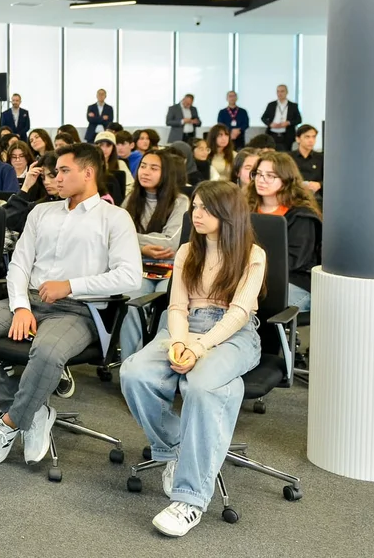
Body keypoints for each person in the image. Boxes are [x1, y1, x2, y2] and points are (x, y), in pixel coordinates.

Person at [0, 144, 141, 467]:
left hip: (78, 309)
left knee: (48, 352)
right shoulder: (41, 212)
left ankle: (9, 423)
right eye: (55, 172)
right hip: (29, 301)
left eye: (64, 171)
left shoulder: (114, 218)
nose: (56, 178)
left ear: (88, 173)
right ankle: (31, 411)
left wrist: (71, 286)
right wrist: (20, 306)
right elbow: (19, 265)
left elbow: (130, 277)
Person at [120, 180, 265, 538]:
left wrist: (198, 350)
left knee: (201, 386)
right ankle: (174, 448)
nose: (195, 215)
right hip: (185, 327)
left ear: (227, 214)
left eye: (205, 209)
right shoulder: (187, 250)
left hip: (233, 334)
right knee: (135, 372)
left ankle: (191, 500)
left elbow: (239, 313)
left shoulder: (253, 254)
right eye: (195, 207)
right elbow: (177, 306)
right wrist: (179, 343)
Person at [120, 149, 190, 356]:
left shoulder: (180, 202)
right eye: (143, 166)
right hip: (139, 266)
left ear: (166, 173)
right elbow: (114, 235)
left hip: (170, 268)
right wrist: (141, 247)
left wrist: (130, 238)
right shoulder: (130, 199)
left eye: (154, 168)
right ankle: (129, 364)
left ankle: (155, 361)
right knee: (130, 303)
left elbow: (170, 243)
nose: (145, 172)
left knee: (169, 309)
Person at [246, 151, 321, 312]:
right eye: (258, 174)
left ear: (286, 180)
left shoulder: (301, 215)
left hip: (292, 282)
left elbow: (293, 261)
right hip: (251, 279)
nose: (261, 180)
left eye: (270, 176)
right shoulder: (246, 209)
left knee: (254, 303)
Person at [4, 151, 61, 234]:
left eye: (52, 176)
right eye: (43, 177)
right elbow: (10, 221)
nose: (46, 182)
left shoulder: (77, 204)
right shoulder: (40, 206)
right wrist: (26, 186)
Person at [261, 85, 302, 152]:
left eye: (282, 91)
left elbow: (299, 120)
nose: (280, 93)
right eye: (278, 91)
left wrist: (288, 123)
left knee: (286, 153)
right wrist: (270, 124)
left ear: (286, 92)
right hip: (272, 133)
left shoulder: (293, 106)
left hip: (287, 134)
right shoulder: (271, 105)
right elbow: (263, 118)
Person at [95, 131, 133, 199]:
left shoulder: (120, 164)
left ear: (113, 148)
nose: (104, 149)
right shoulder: (90, 165)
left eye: (108, 145)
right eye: (101, 145)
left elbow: (131, 186)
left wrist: (121, 198)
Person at [293, 125, 323, 193]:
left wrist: (319, 184)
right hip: (294, 195)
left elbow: (328, 180)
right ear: (298, 139)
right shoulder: (289, 157)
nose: (311, 140)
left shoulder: (321, 158)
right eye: (307, 137)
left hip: (316, 197)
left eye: (314, 137)